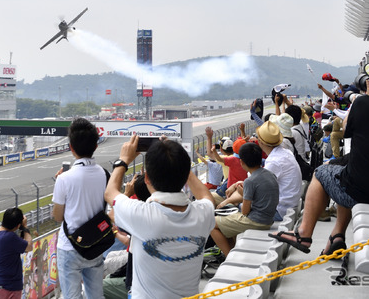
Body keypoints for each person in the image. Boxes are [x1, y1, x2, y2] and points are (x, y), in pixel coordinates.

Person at [270, 61, 369, 256]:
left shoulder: (363, 104)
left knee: (322, 173)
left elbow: (346, 129)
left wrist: (366, 99)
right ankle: (336, 236)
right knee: (345, 171)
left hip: (365, 192)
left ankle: (304, 233)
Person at [105, 135, 215, 299]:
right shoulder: (203, 214)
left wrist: (123, 160)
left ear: (147, 178)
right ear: (185, 177)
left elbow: (110, 192)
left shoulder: (142, 214)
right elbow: (206, 197)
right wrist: (180, 166)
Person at [52, 117, 108, 299]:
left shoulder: (64, 179)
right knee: (96, 295)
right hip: (95, 243)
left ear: (71, 147)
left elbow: (58, 217)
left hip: (69, 247)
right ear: (96, 146)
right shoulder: (105, 174)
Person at [210, 142, 279, 256]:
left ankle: (229, 257)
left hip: (256, 222)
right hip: (268, 219)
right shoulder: (270, 174)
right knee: (229, 222)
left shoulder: (250, 181)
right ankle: (233, 251)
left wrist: (243, 194)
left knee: (211, 224)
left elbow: (245, 211)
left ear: (242, 162)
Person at [0, 208, 32, 299]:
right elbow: (29, 246)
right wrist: (25, 227)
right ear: (17, 225)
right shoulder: (10, 237)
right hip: (9, 285)